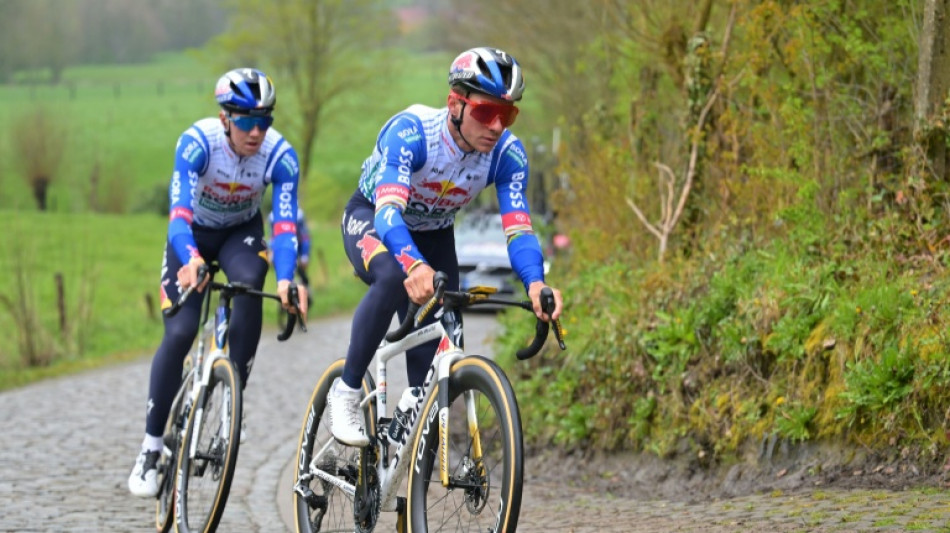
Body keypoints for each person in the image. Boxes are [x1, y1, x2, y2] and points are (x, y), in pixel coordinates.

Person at [331, 47, 563, 446]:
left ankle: (402, 473)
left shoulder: (507, 155)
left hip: (436, 235)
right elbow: (388, 215)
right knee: (390, 278)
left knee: (430, 396)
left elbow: (519, 230)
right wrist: (413, 265)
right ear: (455, 103)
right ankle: (347, 391)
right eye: (485, 112)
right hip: (375, 218)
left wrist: (534, 283)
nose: (495, 126)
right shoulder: (412, 133)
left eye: (506, 115)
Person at [128, 67, 309, 497]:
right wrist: (190, 260)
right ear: (225, 118)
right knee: (181, 332)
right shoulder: (198, 144)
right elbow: (178, 215)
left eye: (265, 121)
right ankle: (152, 447)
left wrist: (287, 279)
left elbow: (284, 228)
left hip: (239, 235)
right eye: (246, 121)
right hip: (192, 236)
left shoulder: (280, 157)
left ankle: (233, 399)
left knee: (251, 280)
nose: (257, 132)